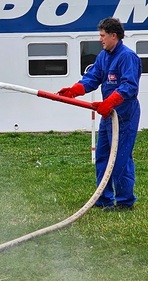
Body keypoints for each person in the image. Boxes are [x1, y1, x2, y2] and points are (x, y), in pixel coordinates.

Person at [57, 17, 141, 211]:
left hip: (124, 116)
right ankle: (102, 198)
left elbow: (129, 86)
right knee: (103, 156)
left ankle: (125, 201)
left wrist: (109, 102)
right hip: (107, 114)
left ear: (114, 36)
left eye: (103, 36)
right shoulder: (103, 56)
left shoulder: (127, 57)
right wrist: (74, 90)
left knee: (120, 158)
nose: (100, 39)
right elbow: (92, 77)